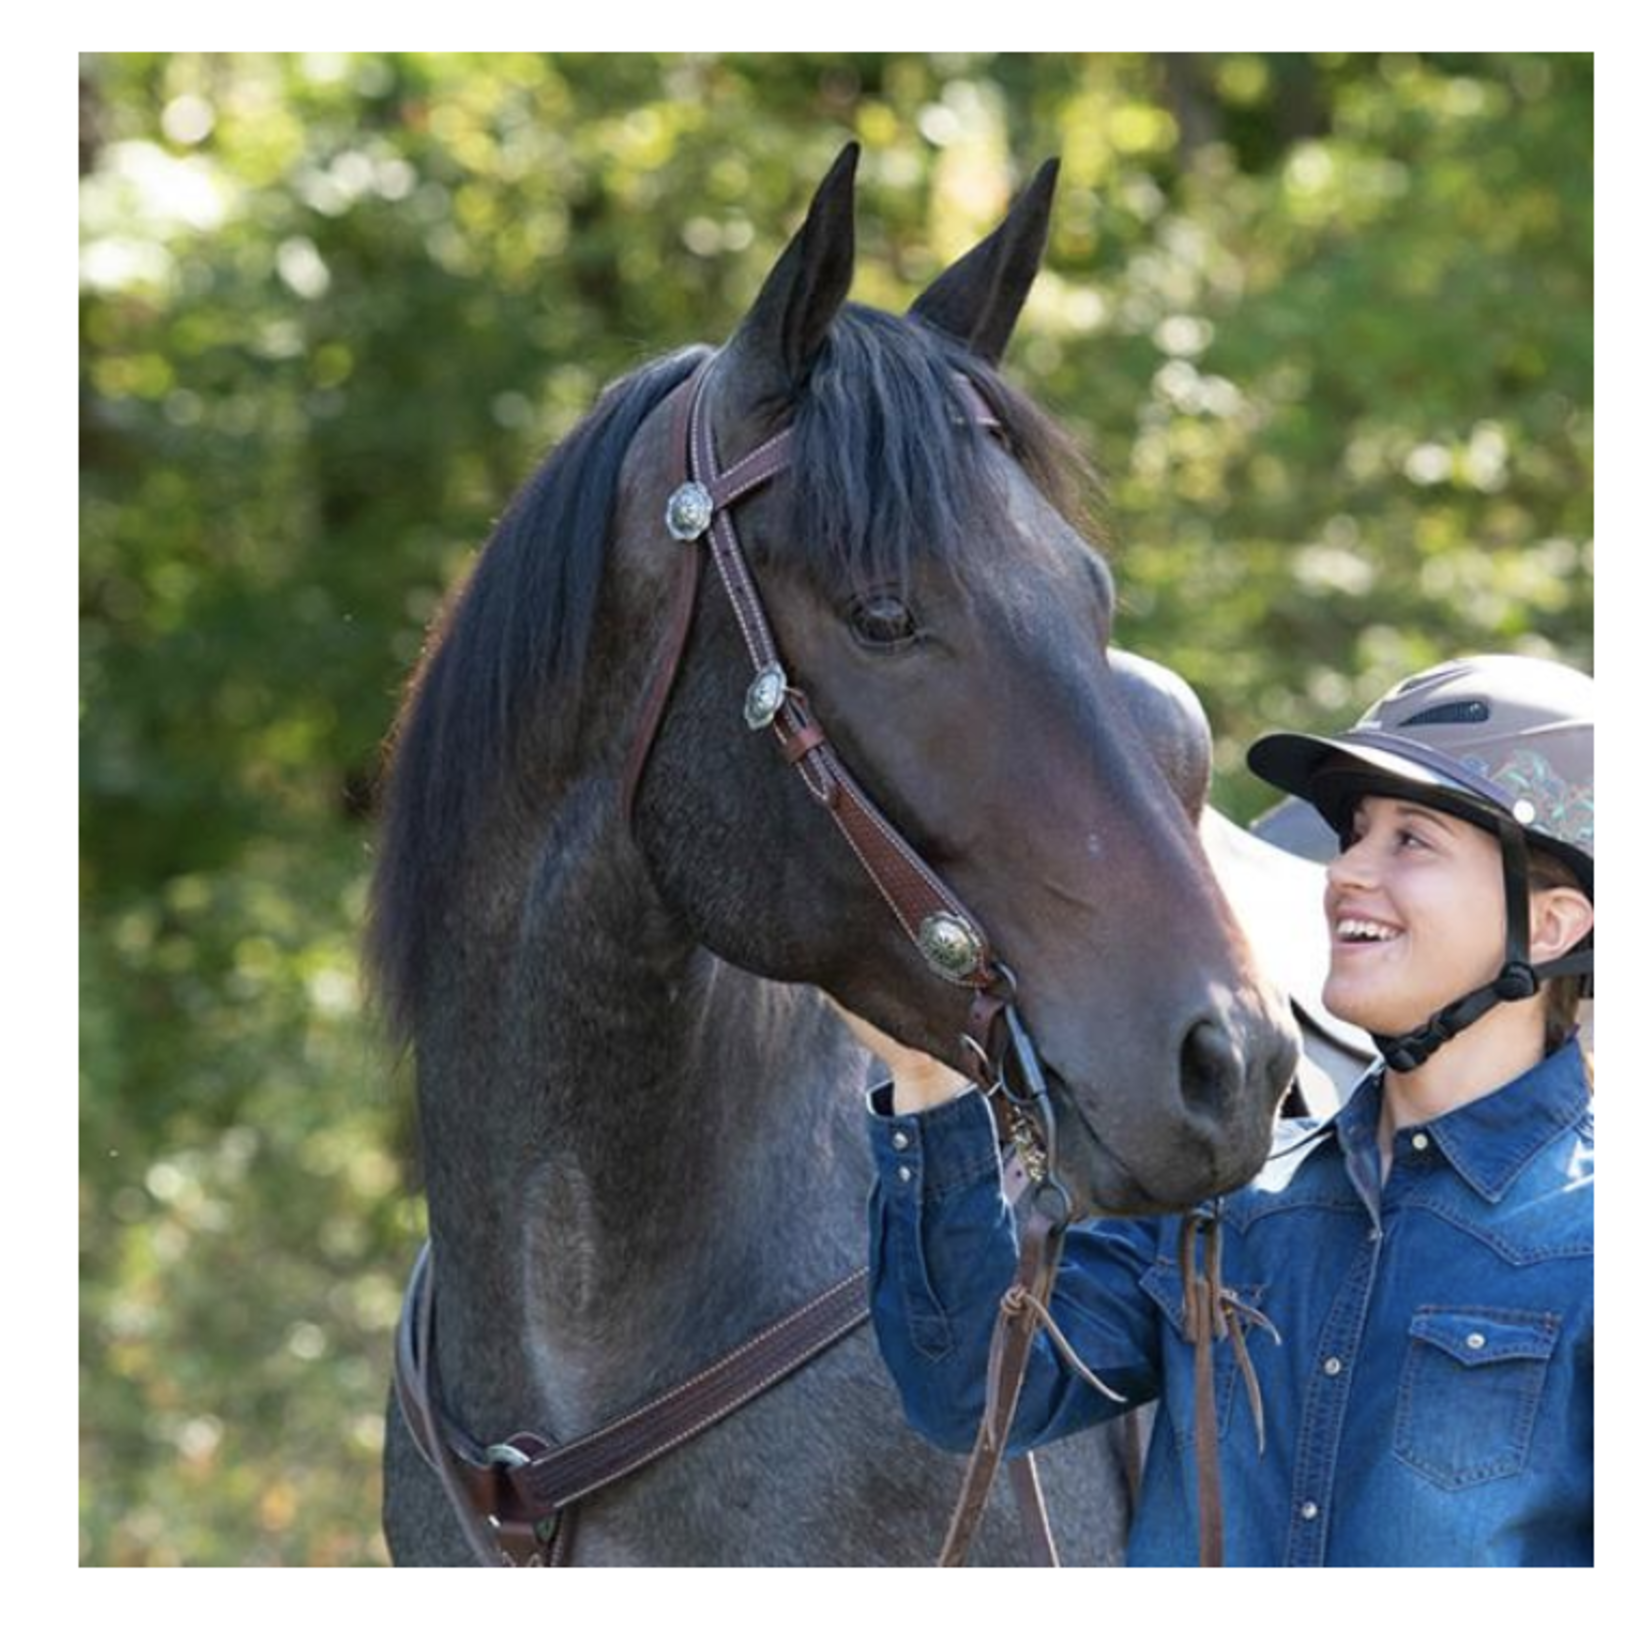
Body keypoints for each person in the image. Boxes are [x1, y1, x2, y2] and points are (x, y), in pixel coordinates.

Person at [847, 655, 1594, 1566]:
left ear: (1550, 926)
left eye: (1412, 841)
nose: (1345, 872)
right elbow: (970, 1393)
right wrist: (929, 1083)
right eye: (1356, 834)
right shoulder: (1228, 1195)